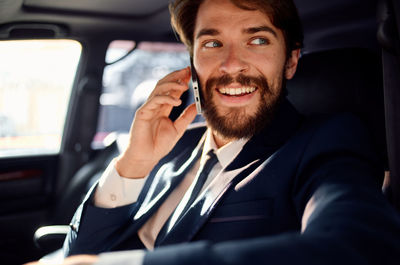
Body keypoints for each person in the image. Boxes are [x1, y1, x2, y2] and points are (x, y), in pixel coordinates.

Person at [28, 0, 400, 264]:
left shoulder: (324, 142)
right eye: (212, 43)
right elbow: (80, 253)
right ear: (192, 65)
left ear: (290, 61)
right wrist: (134, 162)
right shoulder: (173, 146)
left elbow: (357, 247)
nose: (231, 64)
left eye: (257, 40)